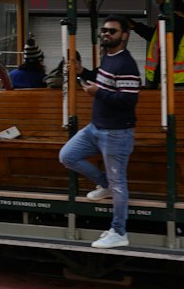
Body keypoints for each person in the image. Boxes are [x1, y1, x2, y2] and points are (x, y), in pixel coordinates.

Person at [58, 17, 141, 249]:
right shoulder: (108, 58)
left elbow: (128, 100)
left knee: (119, 183)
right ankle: (104, 184)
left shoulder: (127, 64)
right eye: (103, 30)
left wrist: (98, 94)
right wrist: (82, 71)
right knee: (67, 156)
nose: (106, 34)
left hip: (117, 133)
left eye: (111, 31)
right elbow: (102, 79)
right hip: (96, 128)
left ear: (124, 35)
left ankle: (119, 232)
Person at [133, 0, 184, 88]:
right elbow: (155, 38)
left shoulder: (174, 18)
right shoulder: (175, 17)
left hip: (171, 81)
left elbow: (169, 50)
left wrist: (159, 79)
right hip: (173, 79)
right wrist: (134, 26)